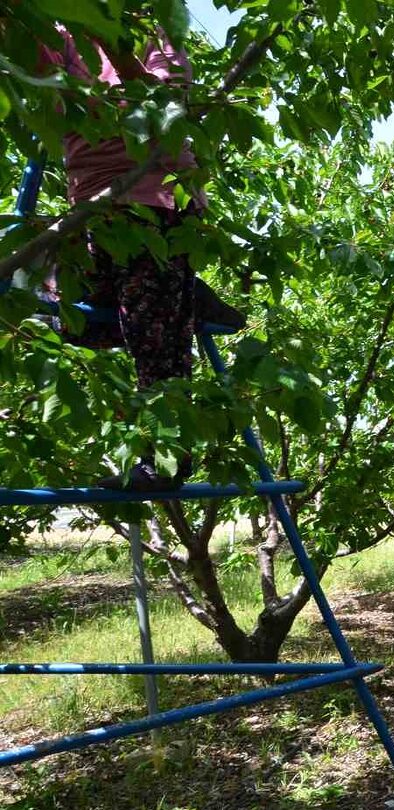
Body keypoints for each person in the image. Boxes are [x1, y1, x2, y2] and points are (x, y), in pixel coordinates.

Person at [38, 24, 205, 489]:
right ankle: (182, 297)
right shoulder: (56, 31)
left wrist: (115, 46)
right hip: (91, 205)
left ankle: (168, 458)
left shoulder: (151, 29)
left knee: (154, 333)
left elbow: (169, 105)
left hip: (154, 199)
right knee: (67, 318)